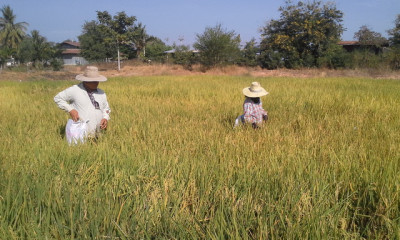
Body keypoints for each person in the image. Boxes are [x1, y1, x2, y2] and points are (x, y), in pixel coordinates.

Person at [54, 66, 111, 137]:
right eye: (93, 81)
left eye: (97, 81)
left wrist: (105, 118)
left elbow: (106, 108)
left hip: (99, 133)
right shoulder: (75, 90)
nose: (96, 83)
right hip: (80, 133)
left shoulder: (101, 93)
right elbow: (58, 98)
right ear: (86, 81)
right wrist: (71, 110)